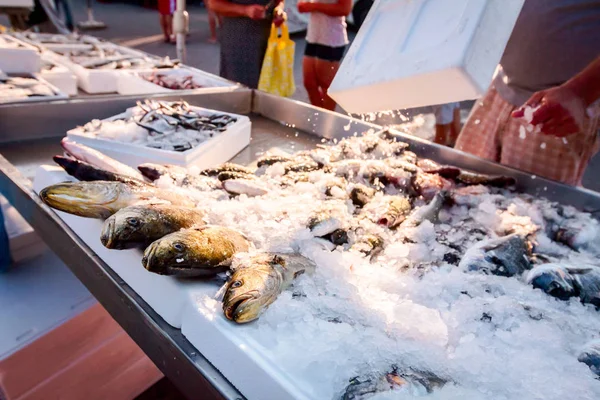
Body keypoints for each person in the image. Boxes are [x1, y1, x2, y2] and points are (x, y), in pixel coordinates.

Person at [455, 0, 600, 186]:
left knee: (527, 207)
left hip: (557, 110)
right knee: (462, 186)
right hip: (499, 87)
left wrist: (580, 93)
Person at [208, 0, 285, 89]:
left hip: (267, 42)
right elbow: (214, 4)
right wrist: (245, 10)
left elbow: (279, 2)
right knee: (240, 90)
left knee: (267, 90)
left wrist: (279, 10)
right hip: (239, 41)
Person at [298, 0, 351, 111]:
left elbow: (345, 9)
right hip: (313, 35)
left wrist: (314, 6)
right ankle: (319, 119)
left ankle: (326, 121)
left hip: (331, 38)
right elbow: (302, 6)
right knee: (309, 83)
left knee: (326, 86)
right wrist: (304, 6)